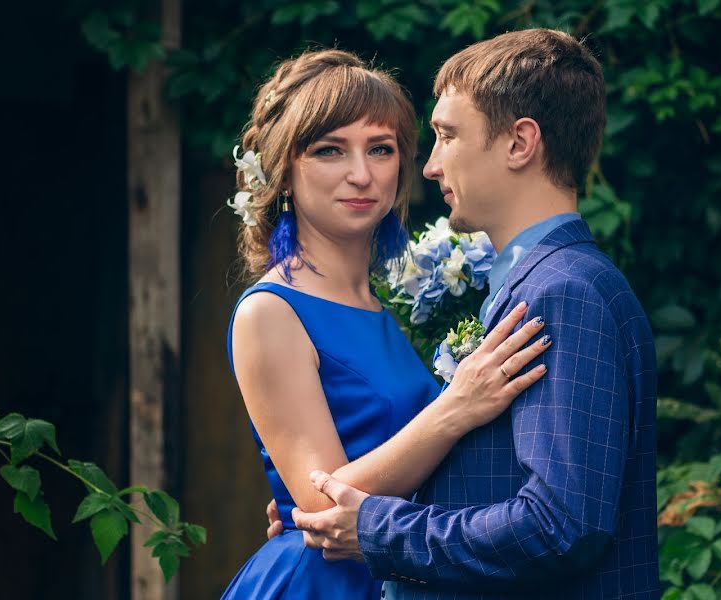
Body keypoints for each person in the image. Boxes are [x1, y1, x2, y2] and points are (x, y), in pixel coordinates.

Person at [288, 29, 660, 599]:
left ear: (519, 143)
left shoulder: (563, 293)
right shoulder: (541, 284)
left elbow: (561, 526)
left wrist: (378, 528)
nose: (431, 166)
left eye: (447, 136)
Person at [221, 49, 553, 599]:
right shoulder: (271, 310)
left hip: (401, 569)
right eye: (330, 151)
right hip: (324, 582)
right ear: (283, 170)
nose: (361, 174)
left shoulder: (383, 305)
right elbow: (322, 507)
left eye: (380, 149)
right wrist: (456, 407)